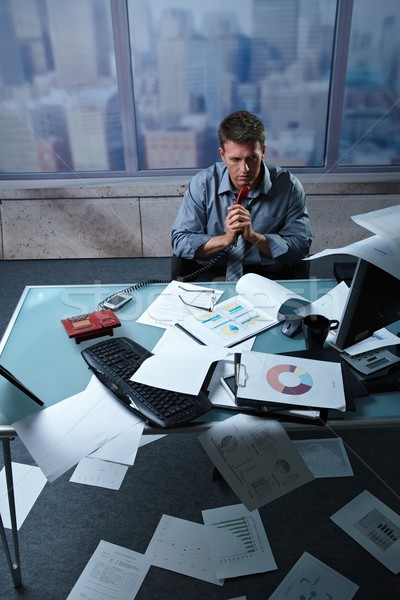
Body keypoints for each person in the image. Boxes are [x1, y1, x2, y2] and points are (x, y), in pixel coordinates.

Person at [171, 110, 312, 281]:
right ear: (222, 155)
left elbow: (301, 246)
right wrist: (225, 240)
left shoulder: (289, 187)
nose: (244, 169)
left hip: (268, 272)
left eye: (252, 158)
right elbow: (180, 241)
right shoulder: (202, 185)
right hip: (212, 270)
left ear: (263, 151)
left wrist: (254, 237)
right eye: (235, 159)